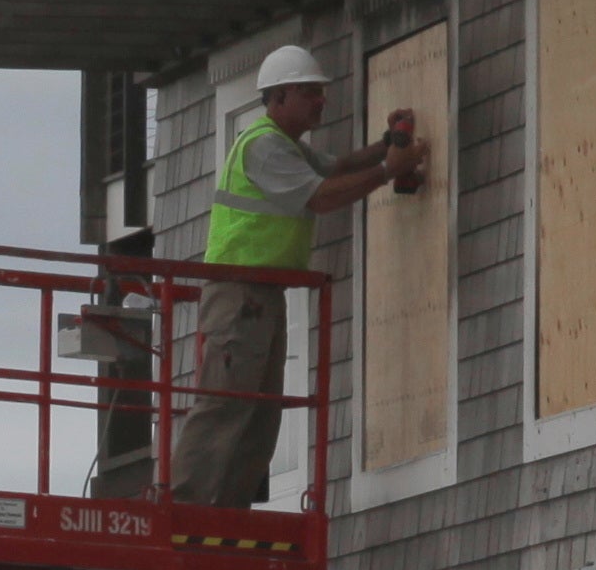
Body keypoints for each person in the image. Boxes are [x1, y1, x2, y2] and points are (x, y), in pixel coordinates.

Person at [170, 42, 422, 510]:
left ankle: (226, 509)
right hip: (239, 293)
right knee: (226, 403)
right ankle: (186, 507)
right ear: (279, 97)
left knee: (261, 411)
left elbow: (338, 166)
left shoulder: (285, 146)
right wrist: (391, 168)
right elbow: (322, 196)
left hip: (260, 295)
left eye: (318, 92)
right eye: (309, 92)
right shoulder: (265, 146)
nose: (320, 101)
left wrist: (384, 148)